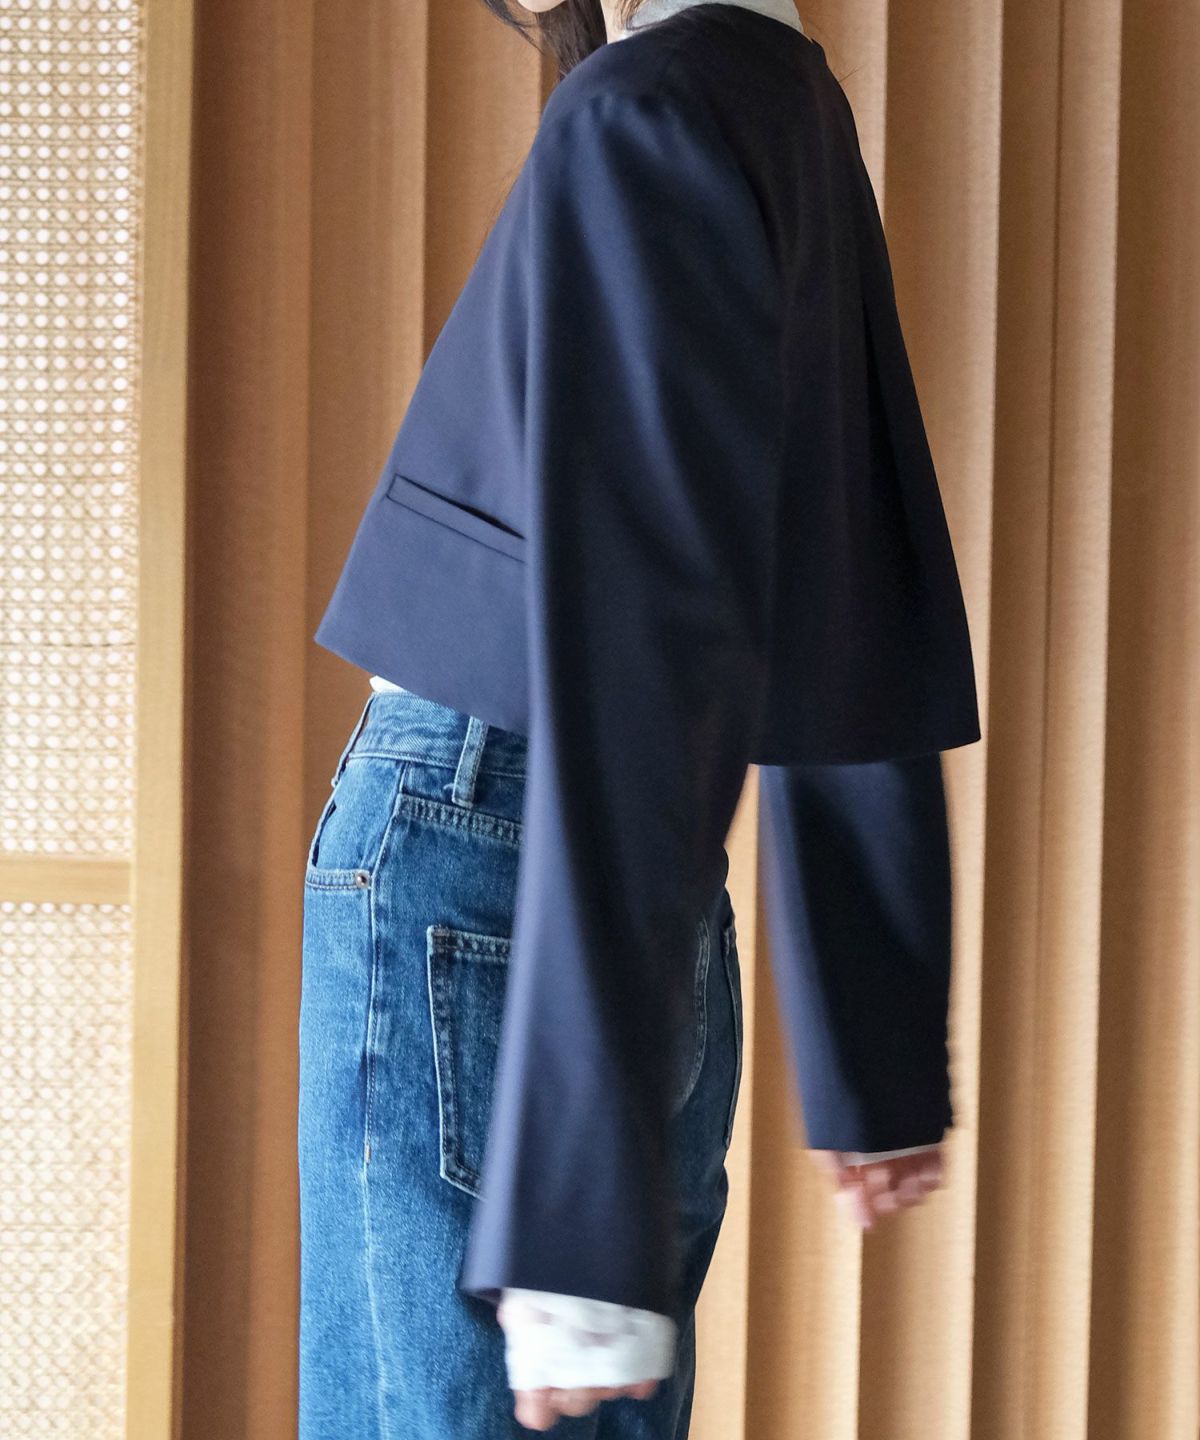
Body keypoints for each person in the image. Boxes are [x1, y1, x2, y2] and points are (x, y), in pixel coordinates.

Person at [298, 0, 982, 1434]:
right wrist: (871, 1033)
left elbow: (646, 637)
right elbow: (845, 590)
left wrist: (573, 1205)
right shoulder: (784, 102)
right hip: (582, 917)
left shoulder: (641, 112)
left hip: (483, 860)